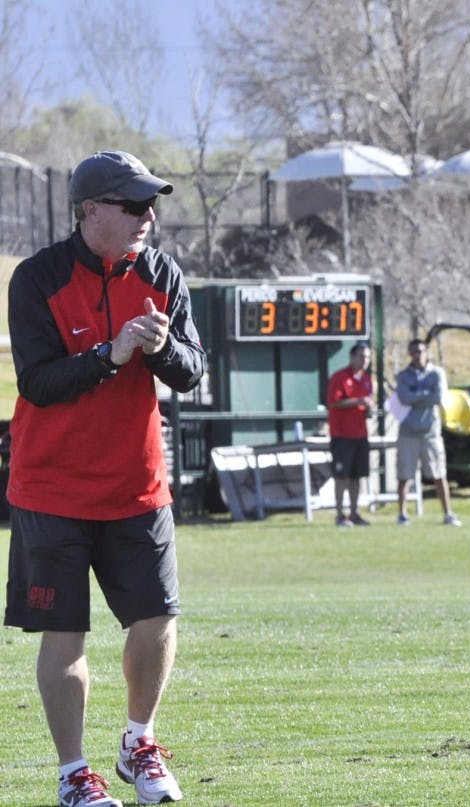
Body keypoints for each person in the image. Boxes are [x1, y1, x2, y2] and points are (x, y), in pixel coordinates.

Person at [4, 150, 205, 806]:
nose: (148, 215)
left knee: (157, 620)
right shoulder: (37, 279)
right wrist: (109, 353)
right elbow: (36, 380)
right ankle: (72, 775)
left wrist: (159, 347)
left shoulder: (162, 272)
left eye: (151, 203)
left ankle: (138, 742)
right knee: (66, 636)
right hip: (51, 489)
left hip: (135, 486)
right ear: (90, 212)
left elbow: (193, 369)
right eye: (132, 204)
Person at [394, 339, 461, 526]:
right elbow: (403, 398)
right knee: (404, 475)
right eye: (414, 351)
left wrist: (417, 397)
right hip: (408, 432)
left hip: (430, 431)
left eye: (421, 351)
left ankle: (448, 513)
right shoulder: (403, 375)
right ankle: (402, 514)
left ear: (427, 352)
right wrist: (425, 395)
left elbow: (438, 397)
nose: (418, 355)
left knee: (439, 474)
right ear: (410, 354)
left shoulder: (437, 373)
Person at [326, 340, 375, 527]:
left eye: (368, 357)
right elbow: (333, 402)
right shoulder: (340, 377)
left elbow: (366, 403)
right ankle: (340, 515)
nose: (365, 360)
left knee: (357, 475)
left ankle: (355, 513)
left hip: (360, 434)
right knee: (341, 476)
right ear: (352, 357)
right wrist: (357, 401)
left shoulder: (367, 380)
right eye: (362, 356)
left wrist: (368, 407)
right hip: (342, 435)